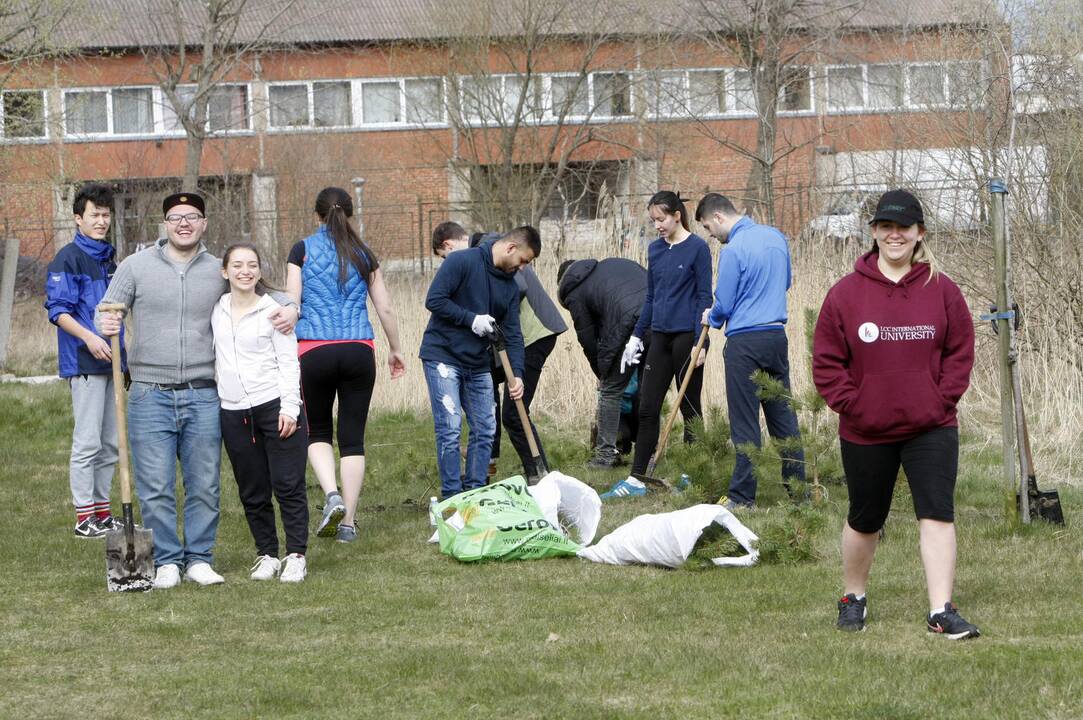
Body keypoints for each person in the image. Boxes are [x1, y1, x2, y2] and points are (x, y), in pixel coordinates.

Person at [96, 191, 298, 589]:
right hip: (149, 393)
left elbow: (271, 293)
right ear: (165, 224)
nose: (183, 223)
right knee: (155, 484)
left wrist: (292, 308)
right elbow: (107, 306)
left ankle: (199, 558)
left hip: (204, 393)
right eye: (175, 217)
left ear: (204, 224)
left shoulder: (217, 269)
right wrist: (106, 323)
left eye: (192, 216)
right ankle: (168, 560)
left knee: (204, 482)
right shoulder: (135, 267)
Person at [812, 189, 978, 639]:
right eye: (886, 227)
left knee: (937, 513)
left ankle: (941, 610)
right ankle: (854, 598)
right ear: (874, 233)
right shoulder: (845, 295)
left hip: (932, 426)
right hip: (867, 430)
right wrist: (855, 404)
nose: (895, 235)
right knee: (865, 517)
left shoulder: (941, 290)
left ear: (920, 234)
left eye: (904, 227)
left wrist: (941, 399)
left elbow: (961, 350)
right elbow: (827, 362)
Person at [286, 187, 405, 544]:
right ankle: (349, 523)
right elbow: (384, 308)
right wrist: (396, 349)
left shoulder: (301, 250)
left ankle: (331, 495)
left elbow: (292, 303)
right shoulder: (365, 254)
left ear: (316, 215)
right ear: (349, 214)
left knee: (317, 431)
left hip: (313, 352)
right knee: (352, 438)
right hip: (358, 350)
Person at [696, 192, 806, 508]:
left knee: (745, 422)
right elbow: (785, 281)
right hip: (775, 338)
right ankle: (798, 491)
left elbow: (725, 302)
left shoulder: (734, 250)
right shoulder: (775, 237)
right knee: (783, 418)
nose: (711, 235)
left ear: (718, 217)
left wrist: (712, 316)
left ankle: (743, 496)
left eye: (707, 227)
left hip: (745, 343)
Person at [433, 223, 566, 480]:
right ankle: (487, 463)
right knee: (488, 397)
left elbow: (517, 287)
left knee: (514, 412)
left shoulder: (490, 247)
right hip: (506, 340)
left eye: (443, 257)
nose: (447, 264)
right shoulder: (481, 254)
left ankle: (540, 475)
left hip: (532, 335)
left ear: (448, 246)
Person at [603, 191, 712, 500]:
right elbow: (651, 297)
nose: (657, 226)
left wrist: (702, 341)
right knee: (647, 406)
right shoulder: (655, 250)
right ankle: (637, 478)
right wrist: (637, 336)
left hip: (687, 339)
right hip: (659, 337)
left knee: (689, 407)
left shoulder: (698, 249)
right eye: (653, 221)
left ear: (677, 215)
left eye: (661, 219)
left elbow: (705, 297)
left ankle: (695, 472)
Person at [213, 244, 309, 582]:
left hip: (275, 407)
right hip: (234, 412)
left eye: (251, 265)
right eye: (237, 265)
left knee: (287, 484)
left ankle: (296, 554)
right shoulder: (217, 309)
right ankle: (267, 553)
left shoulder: (274, 310)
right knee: (252, 489)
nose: (245, 271)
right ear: (225, 272)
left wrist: (290, 409)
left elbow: (288, 361)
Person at [420, 226, 538, 498]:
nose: (522, 268)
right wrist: (471, 319)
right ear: (510, 248)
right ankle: (452, 498)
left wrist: (517, 374)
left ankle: (474, 493)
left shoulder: (509, 287)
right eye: (523, 261)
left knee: (485, 429)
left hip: (477, 363)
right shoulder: (462, 261)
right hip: (443, 356)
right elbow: (434, 300)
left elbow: (513, 334)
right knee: (450, 429)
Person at [44, 183, 126, 538]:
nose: (101, 221)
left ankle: (102, 512)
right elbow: (58, 311)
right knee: (88, 441)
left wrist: (125, 359)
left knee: (110, 443)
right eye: (95, 214)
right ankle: (83, 519)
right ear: (78, 218)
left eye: (106, 215)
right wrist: (90, 337)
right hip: (84, 361)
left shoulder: (110, 258)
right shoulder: (67, 258)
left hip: (112, 362)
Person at [556, 257, 648, 468]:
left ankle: (606, 455)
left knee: (610, 390)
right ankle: (648, 453)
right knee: (648, 387)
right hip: (658, 319)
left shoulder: (574, 291)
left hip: (630, 324)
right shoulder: (611, 265)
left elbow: (587, 338)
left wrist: (602, 373)